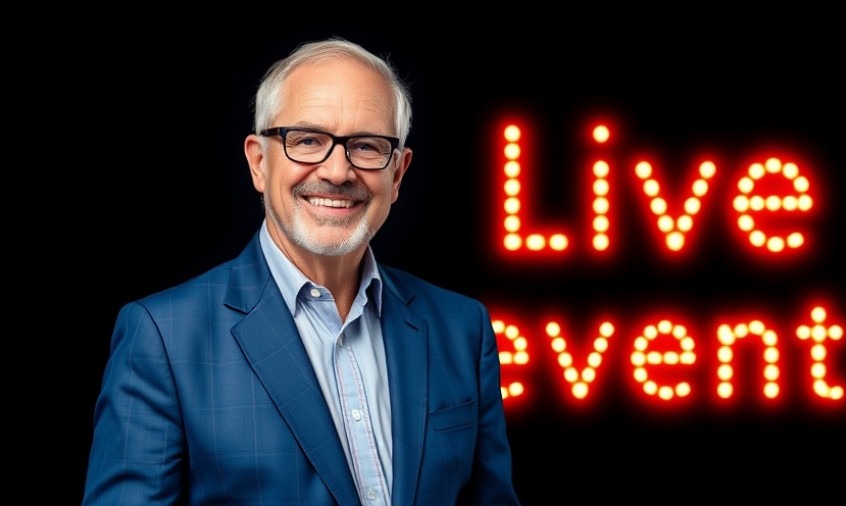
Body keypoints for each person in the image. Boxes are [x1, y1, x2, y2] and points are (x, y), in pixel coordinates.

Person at [82, 37, 520, 505]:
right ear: (257, 162)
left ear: (398, 175)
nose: (337, 171)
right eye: (307, 140)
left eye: (367, 146)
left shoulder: (461, 328)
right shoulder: (163, 339)